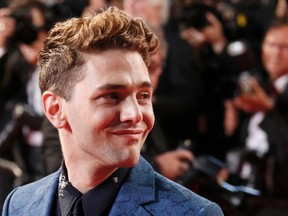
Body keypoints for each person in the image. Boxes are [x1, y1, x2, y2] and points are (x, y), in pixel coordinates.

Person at [2, 6, 224, 215]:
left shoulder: (194, 213)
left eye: (143, 96)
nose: (135, 114)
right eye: (111, 97)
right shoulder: (18, 204)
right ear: (55, 109)